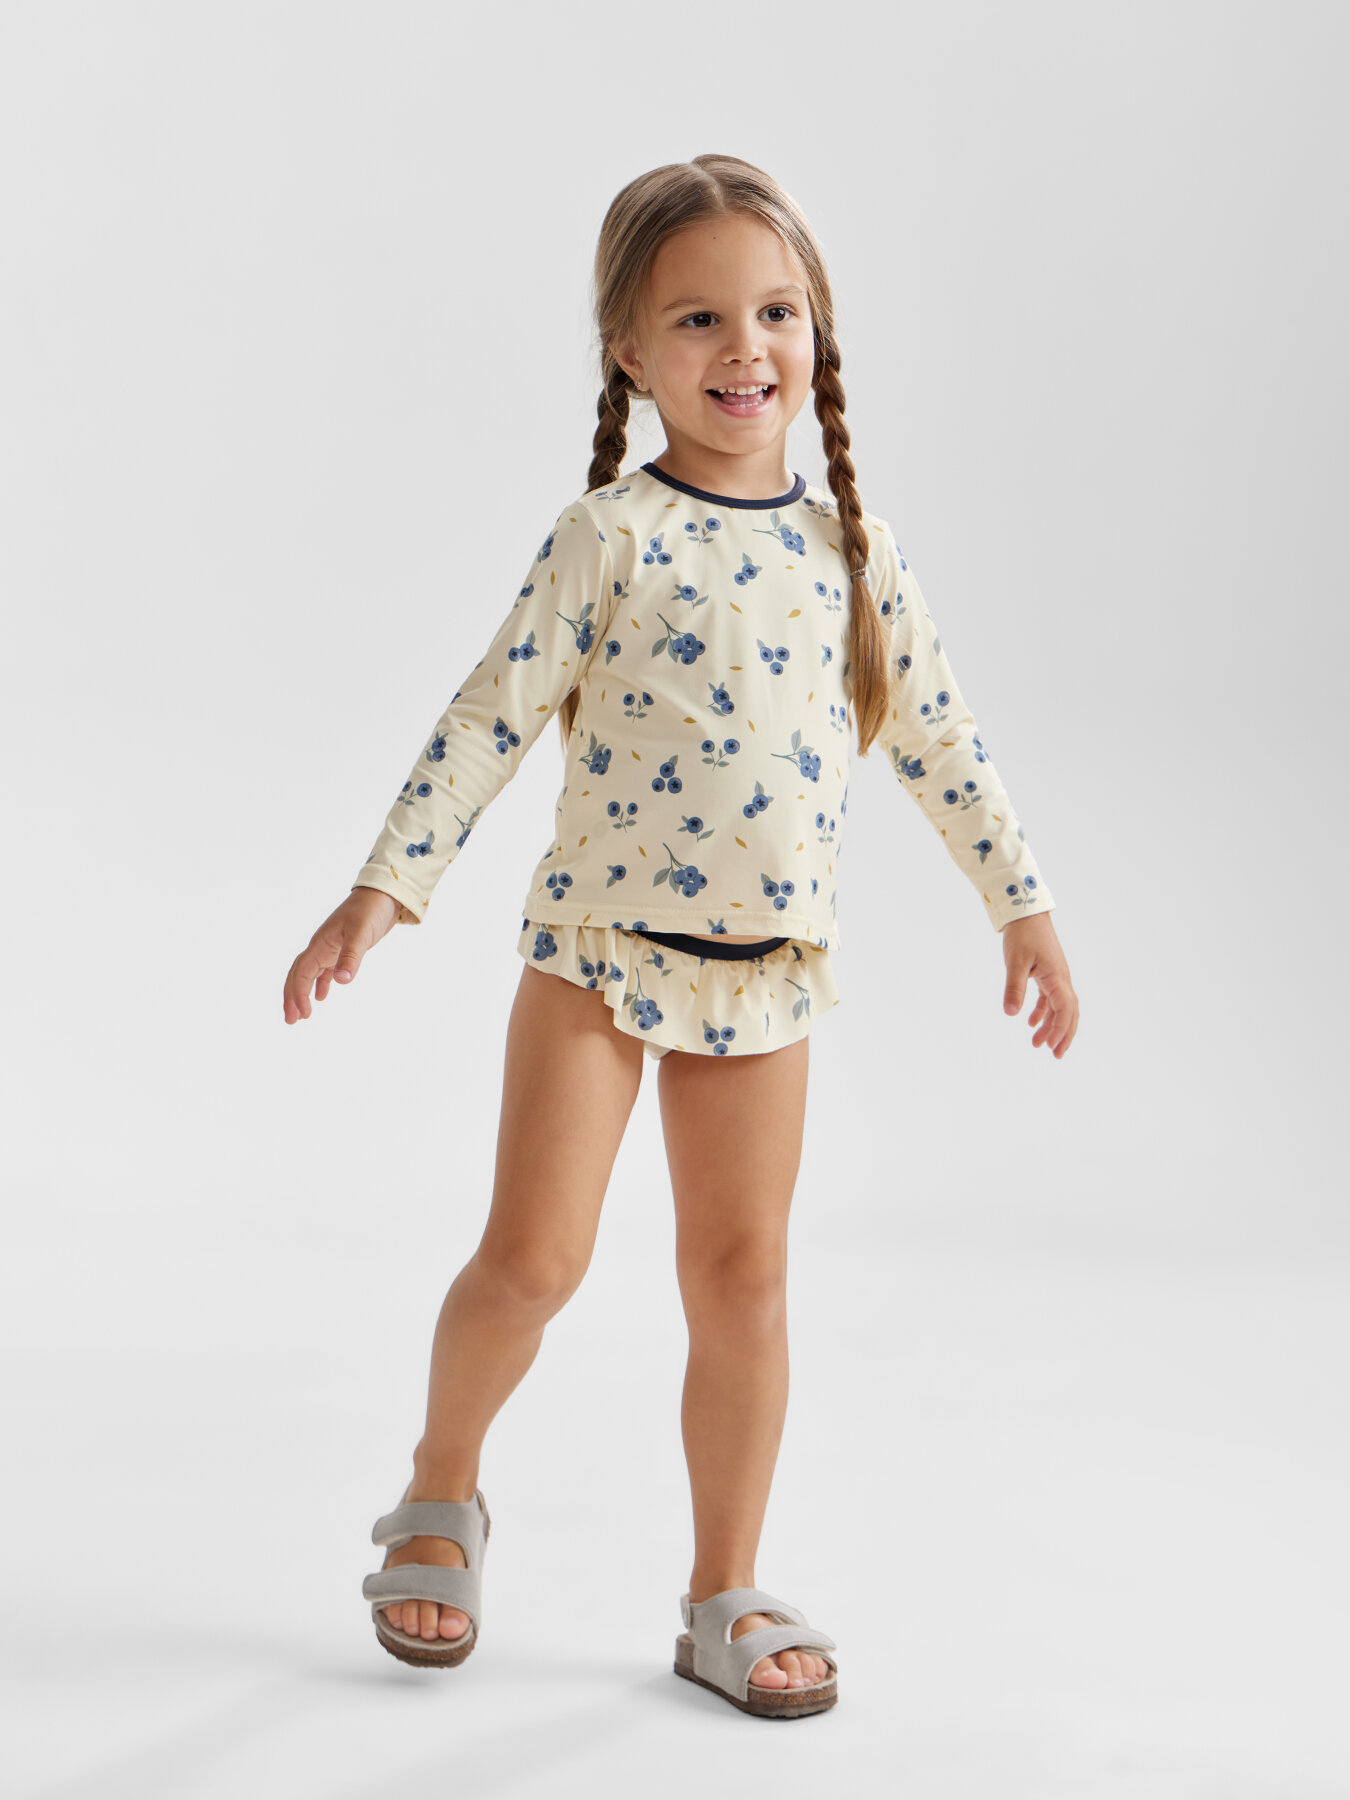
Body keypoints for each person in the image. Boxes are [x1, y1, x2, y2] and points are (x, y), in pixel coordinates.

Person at [283, 153, 1079, 1719]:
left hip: (765, 976)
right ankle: (439, 1486)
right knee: (532, 1263)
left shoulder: (855, 554)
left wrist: (1023, 908)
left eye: (774, 311)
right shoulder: (609, 535)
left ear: (815, 332)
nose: (743, 347)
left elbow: (942, 741)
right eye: (699, 318)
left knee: (743, 1281)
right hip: (598, 958)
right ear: (630, 355)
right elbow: (489, 717)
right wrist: (385, 887)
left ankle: (723, 1590)